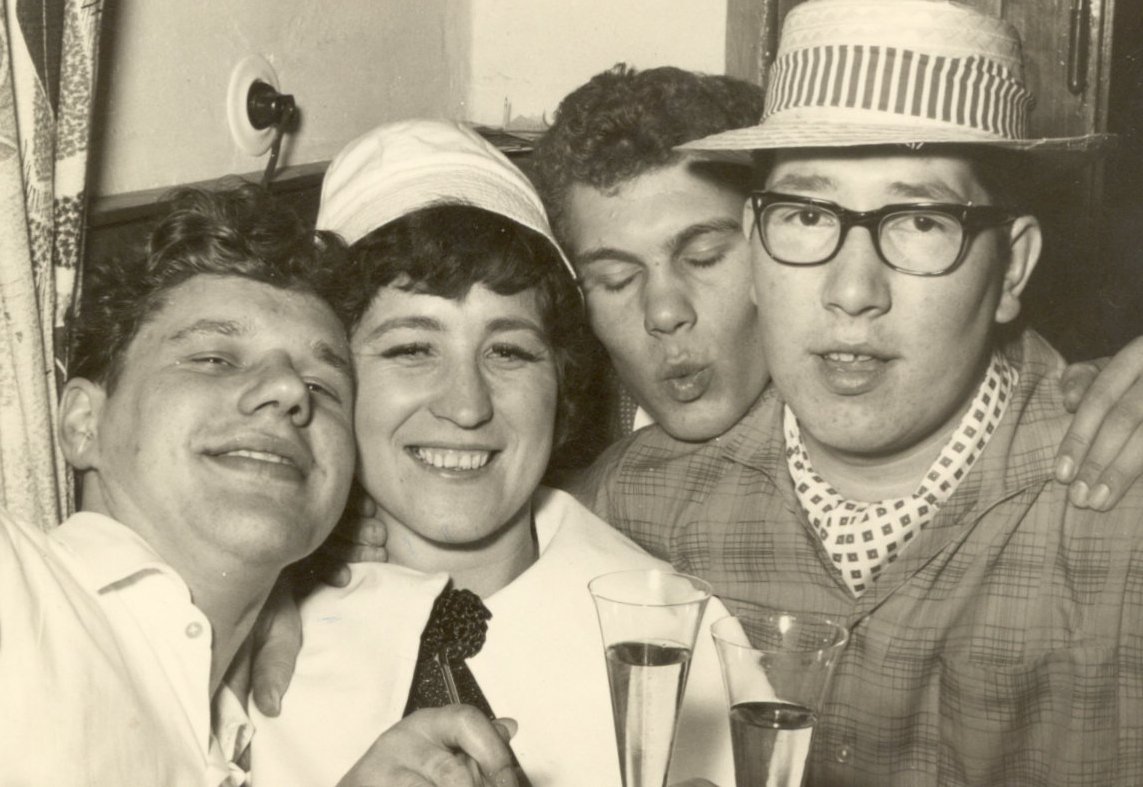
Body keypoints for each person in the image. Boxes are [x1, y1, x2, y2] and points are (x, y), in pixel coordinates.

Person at [582, 1, 1143, 783]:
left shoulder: (1118, 520)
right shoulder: (633, 509)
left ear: (1011, 268)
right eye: (806, 215)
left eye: (920, 221)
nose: (851, 291)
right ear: (753, 244)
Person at [250, 120, 734, 787]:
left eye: (508, 351)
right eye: (411, 348)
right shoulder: (244, 636)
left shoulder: (674, 635)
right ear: (327, 384)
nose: (466, 404)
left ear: (562, 382)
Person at [0, 184, 520, 787]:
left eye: (323, 386)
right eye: (214, 359)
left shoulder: (225, 731)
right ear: (83, 424)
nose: (289, 390)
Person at [530, 62, 1143, 511]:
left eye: (706, 257)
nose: (664, 313)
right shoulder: (619, 493)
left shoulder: (1096, 449)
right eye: (614, 279)